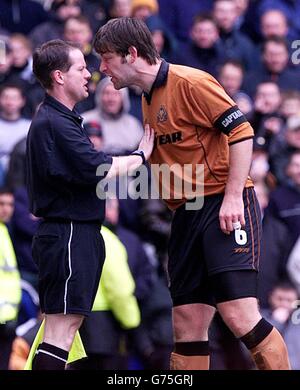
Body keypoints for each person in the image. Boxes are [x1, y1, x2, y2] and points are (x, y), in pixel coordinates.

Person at [93, 17, 291, 370]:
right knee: (185, 323)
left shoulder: (190, 81)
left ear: (131, 54)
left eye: (106, 58)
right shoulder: (147, 97)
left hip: (223, 204)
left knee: (239, 314)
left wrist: (232, 198)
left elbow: (242, 133)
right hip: (186, 212)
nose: (102, 68)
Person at [26, 39, 154, 370]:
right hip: (68, 233)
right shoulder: (53, 122)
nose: (89, 73)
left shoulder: (62, 120)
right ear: (58, 76)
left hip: (74, 233)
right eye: (81, 67)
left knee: (63, 329)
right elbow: (97, 166)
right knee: (59, 331)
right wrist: (140, 155)